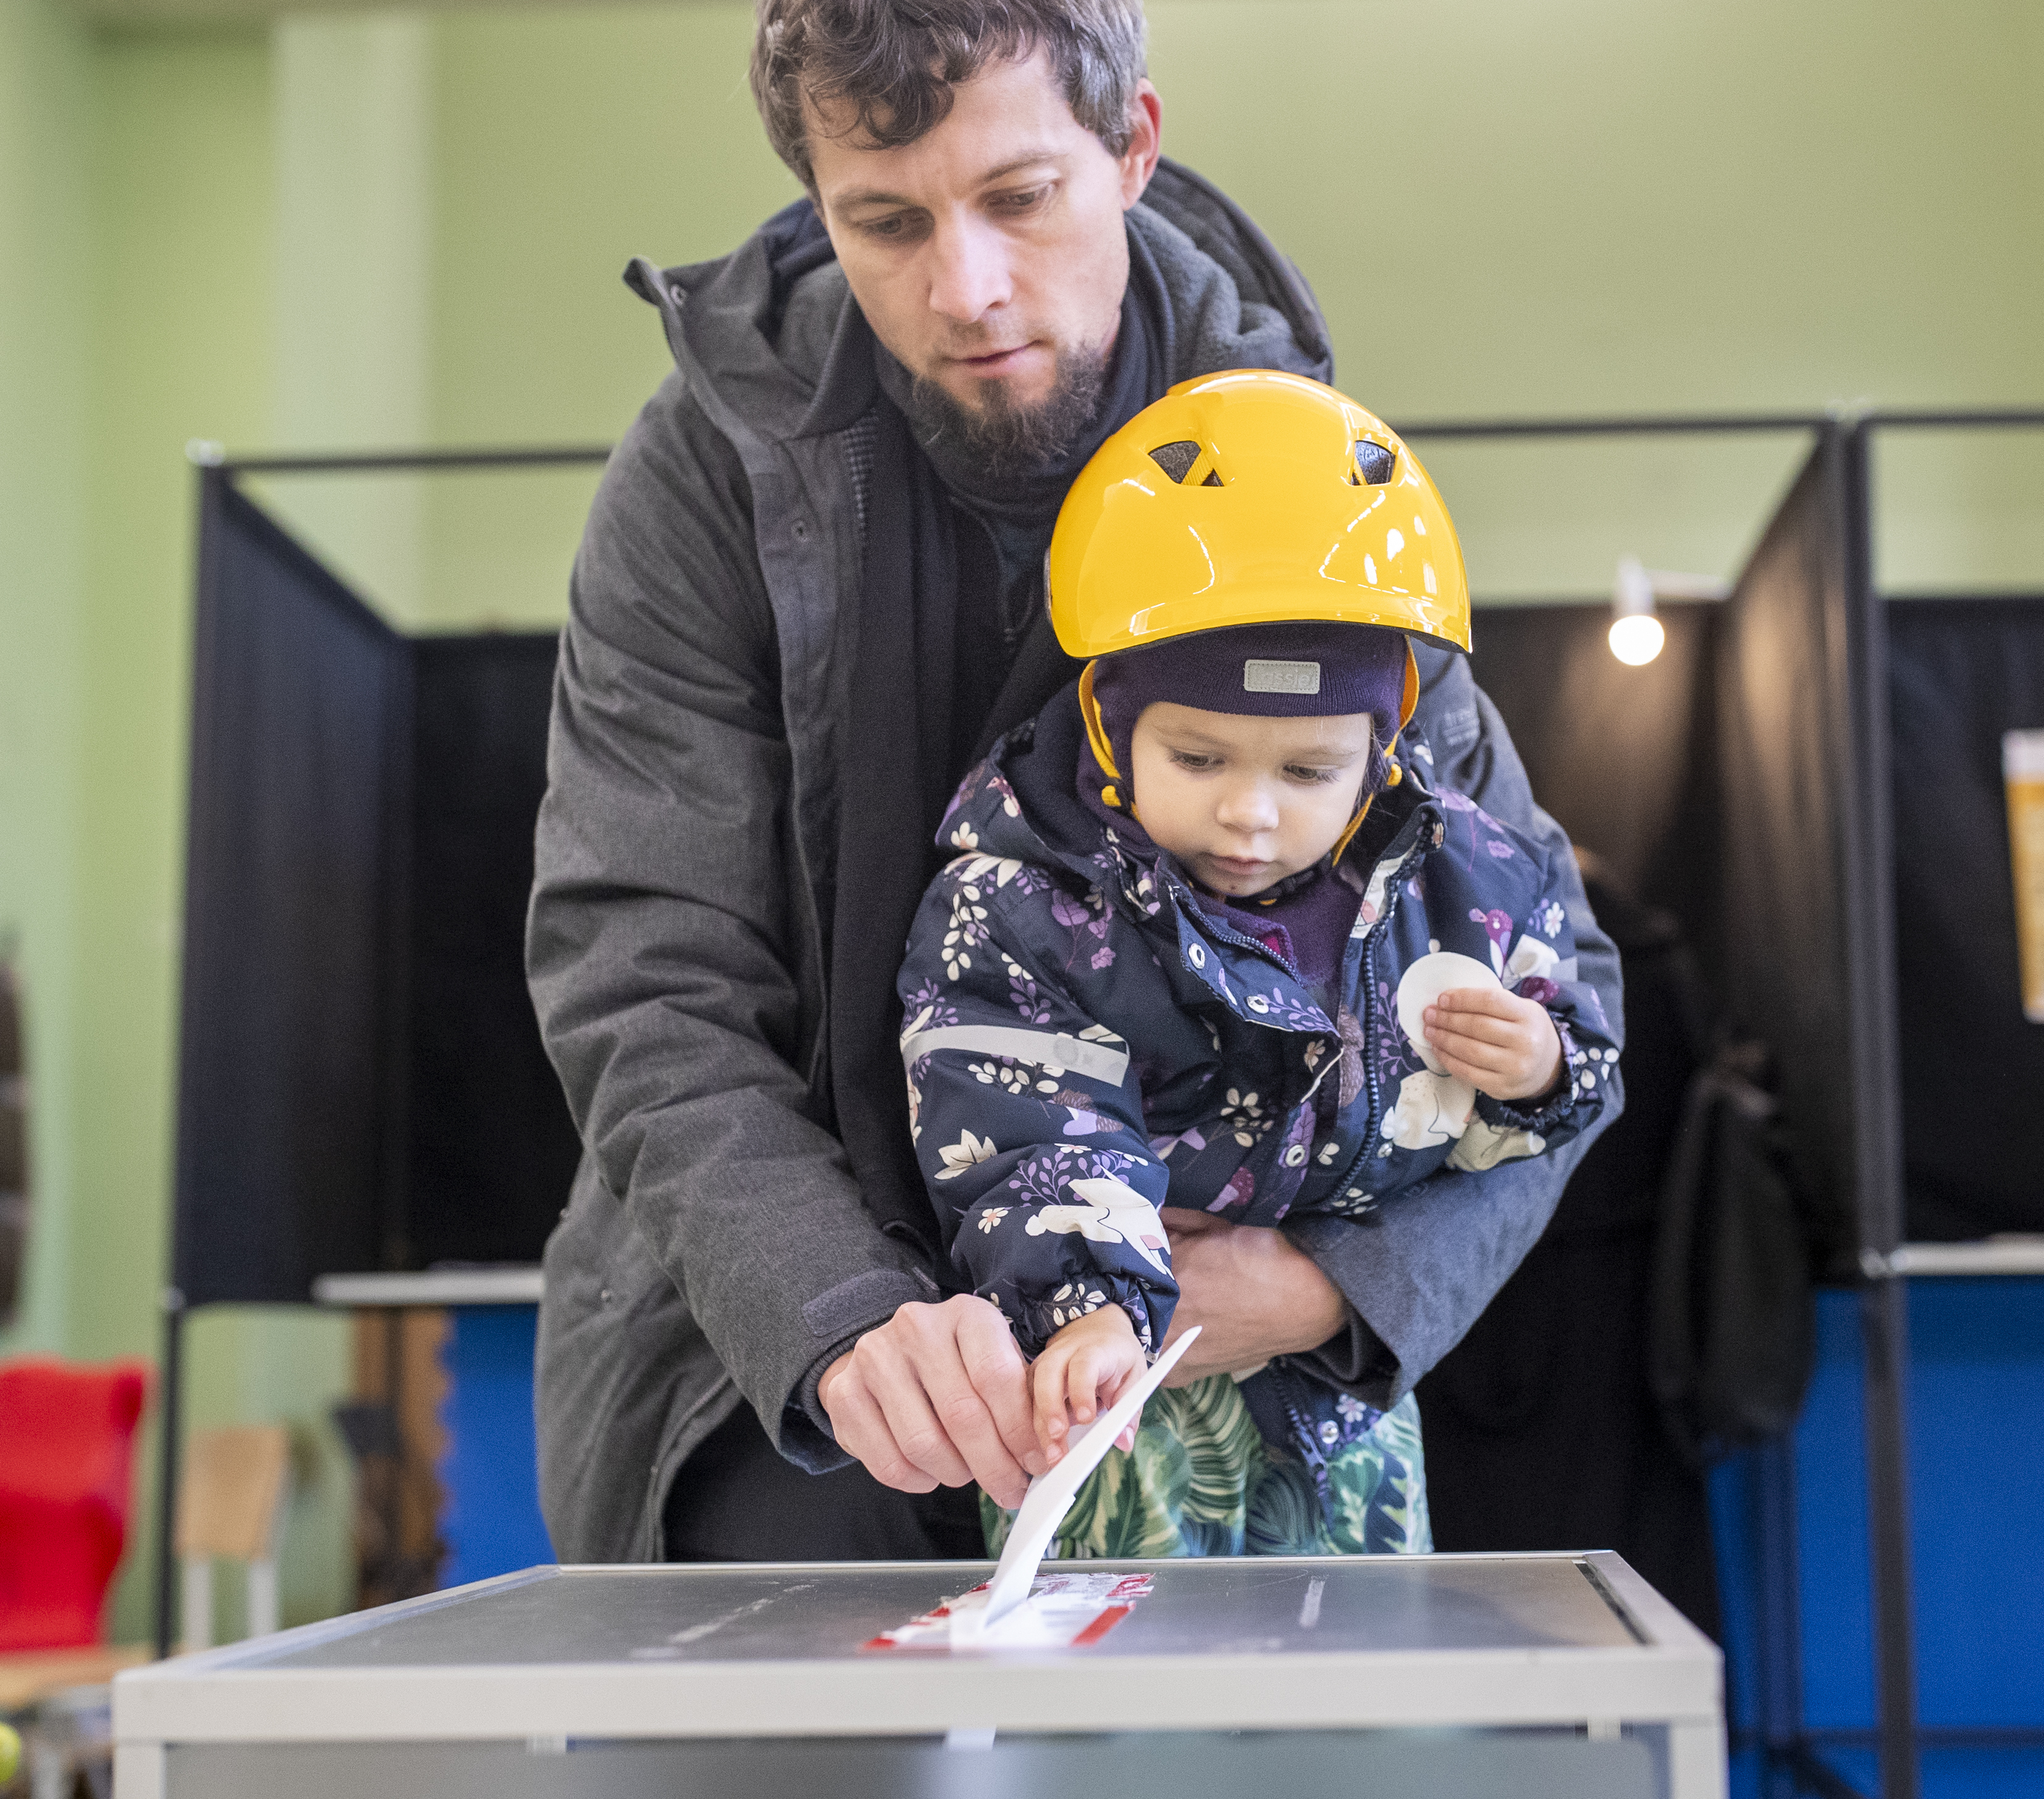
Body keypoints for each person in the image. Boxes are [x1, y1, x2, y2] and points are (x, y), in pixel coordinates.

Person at [524, 0, 1625, 1564]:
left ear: (1133, 148)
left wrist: (1329, 1286)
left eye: (1020, 197)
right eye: (884, 222)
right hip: (772, 1364)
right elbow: (645, 977)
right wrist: (837, 1312)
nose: (963, 288)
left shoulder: (1312, 478)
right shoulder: (702, 476)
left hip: (1215, 1383)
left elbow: (1556, 981)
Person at [899, 372, 1621, 1557]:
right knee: (1115, 1718)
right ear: (1104, 726)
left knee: (1349, 1712)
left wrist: (1542, 1069)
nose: (1251, 815)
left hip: (1343, 1409)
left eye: (1307, 772)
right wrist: (1082, 1302)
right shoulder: (1022, 901)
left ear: (1384, 749)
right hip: (1105, 1397)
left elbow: (1558, 1067)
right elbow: (1024, 1121)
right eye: (1198, 756)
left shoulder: (1455, 883)